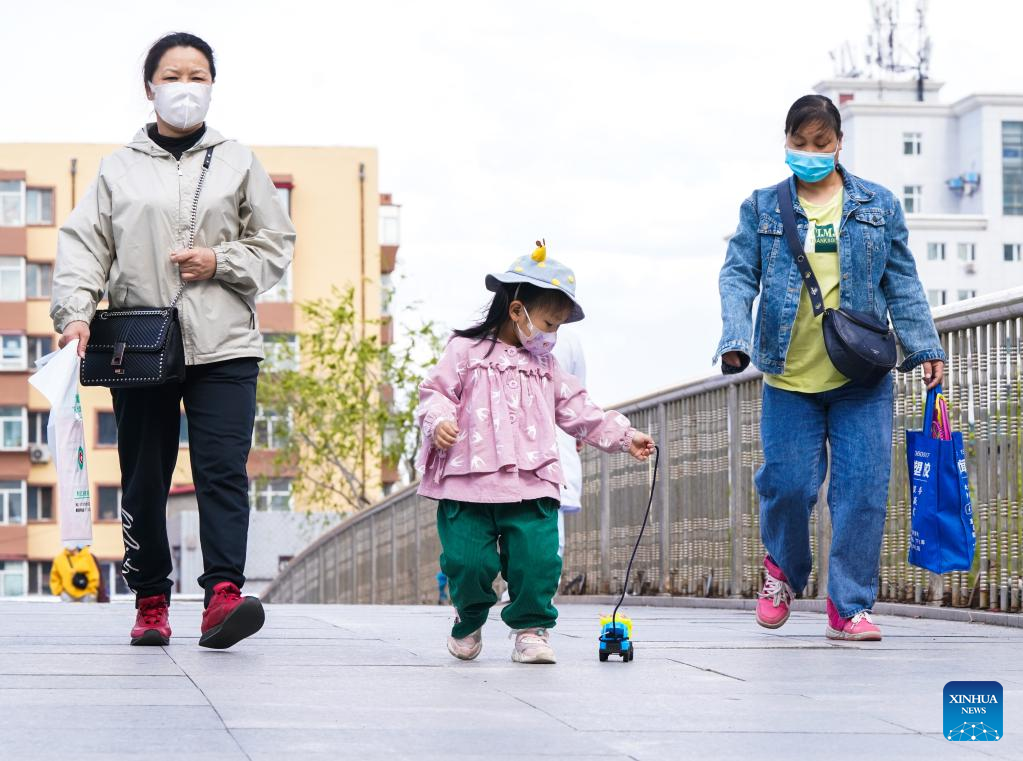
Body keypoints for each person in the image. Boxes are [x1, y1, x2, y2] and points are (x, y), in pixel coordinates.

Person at [51, 32, 295, 649]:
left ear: (212, 86)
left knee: (222, 471)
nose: (185, 87)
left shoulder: (238, 161)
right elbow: (85, 246)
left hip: (226, 343)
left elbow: (276, 244)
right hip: (139, 342)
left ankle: (223, 596)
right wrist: (75, 313)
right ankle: (151, 600)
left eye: (197, 76)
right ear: (150, 87)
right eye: (173, 76)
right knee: (143, 476)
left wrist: (220, 260)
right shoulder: (117, 168)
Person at [715, 94, 945, 642]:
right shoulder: (762, 207)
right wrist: (735, 337)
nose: (811, 153)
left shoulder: (877, 204)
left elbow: (902, 281)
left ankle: (849, 606)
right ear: (786, 143)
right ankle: (783, 571)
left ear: (839, 143)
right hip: (788, 376)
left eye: (821, 143)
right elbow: (738, 275)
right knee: (787, 486)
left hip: (860, 377)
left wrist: (925, 346)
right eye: (800, 143)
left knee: (862, 493)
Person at [416, 243, 655, 664]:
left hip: (533, 479)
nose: (552, 335)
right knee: (467, 562)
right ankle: (469, 617)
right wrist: (439, 422)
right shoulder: (464, 351)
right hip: (468, 482)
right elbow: (436, 392)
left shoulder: (546, 366)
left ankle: (530, 629)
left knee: (538, 559)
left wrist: (624, 435)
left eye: (558, 327)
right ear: (517, 311)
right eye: (548, 323)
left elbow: (578, 407)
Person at [551, 328, 586, 558]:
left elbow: (578, 399)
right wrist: (579, 432)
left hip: (554, 453)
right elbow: (579, 397)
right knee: (551, 539)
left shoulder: (569, 341)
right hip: (554, 454)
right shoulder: (569, 340)